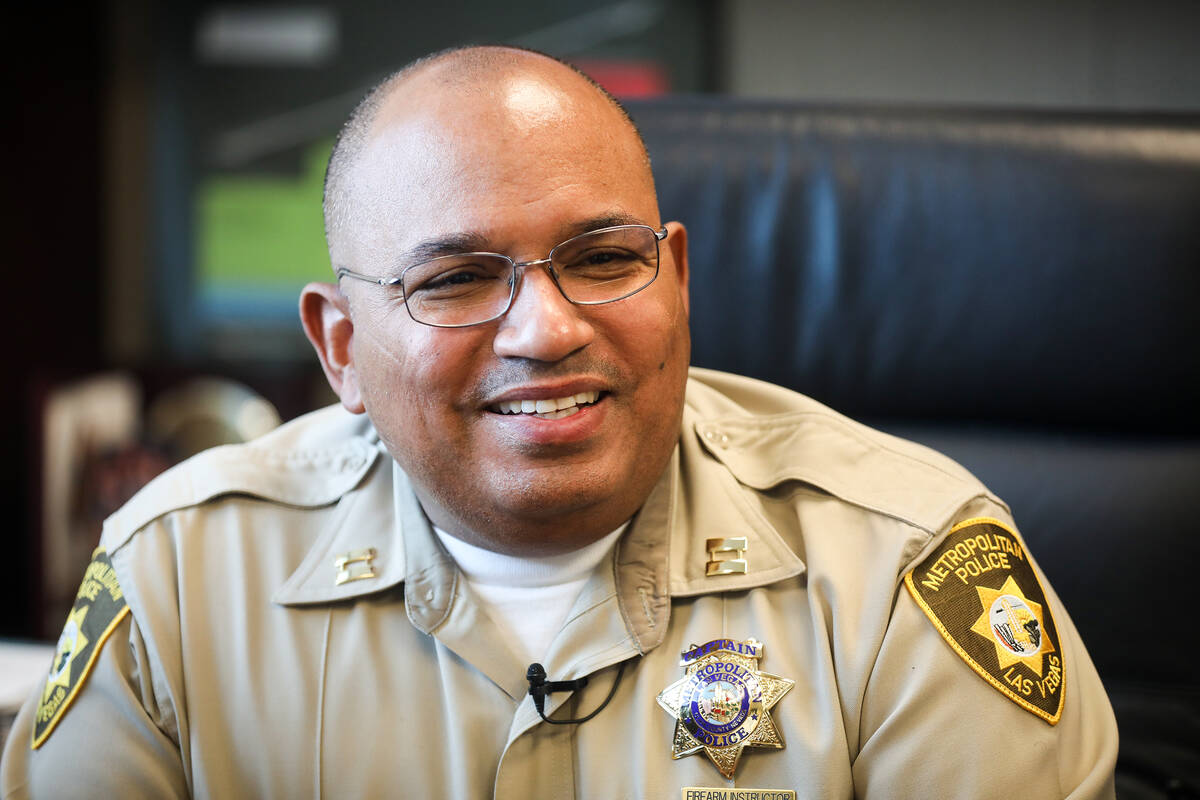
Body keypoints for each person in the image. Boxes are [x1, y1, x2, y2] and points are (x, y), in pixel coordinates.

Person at [1, 45, 1117, 799]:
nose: (547, 327)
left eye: (603, 259)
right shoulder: (178, 576)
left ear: (674, 277)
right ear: (340, 347)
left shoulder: (909, 568)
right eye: (455, 278)